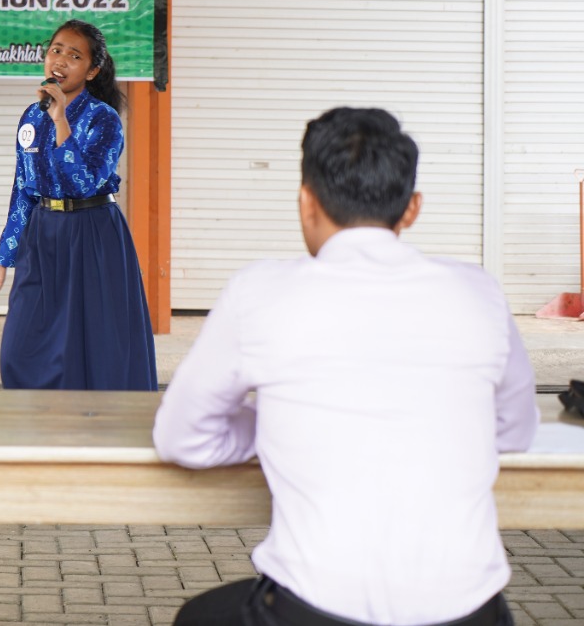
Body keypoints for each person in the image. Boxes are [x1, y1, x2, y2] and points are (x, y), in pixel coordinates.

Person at [153, 107, 539, 626]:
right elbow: (513, 432)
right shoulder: (480, 293)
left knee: (198, 617)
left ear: (305, 201)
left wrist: (274, 426)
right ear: (412, 209)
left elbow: (181, 438)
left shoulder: (260, 293)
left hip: (313, 610)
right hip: (471, 613)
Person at [0, 19, 158, 391]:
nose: (60, 60)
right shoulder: (30, 116)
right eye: (56, 50)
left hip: (92, 233)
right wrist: (4, 256)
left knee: (92, 340)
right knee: (19, 345)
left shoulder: (104, 119)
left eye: (74, 56)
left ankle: (96, 423)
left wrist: (61, 122)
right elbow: (23, 188)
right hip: (42, 236)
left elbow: (85, 181)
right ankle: (38, 419)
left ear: (92, 70)